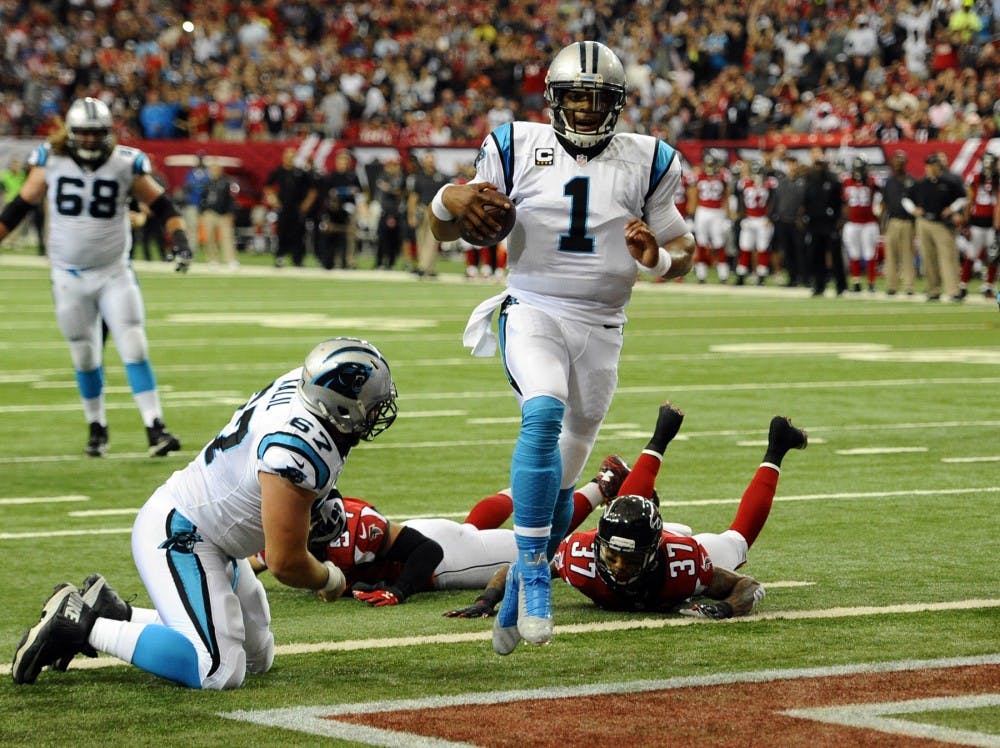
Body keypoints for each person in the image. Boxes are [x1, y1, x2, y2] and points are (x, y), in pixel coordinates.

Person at [429, 41, 694, 652]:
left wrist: (657, 261)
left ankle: (518, 593)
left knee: (561, 481)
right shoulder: (514, 144)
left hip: (603, 326)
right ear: (553, 99)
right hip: (534, 308)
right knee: (541, 410)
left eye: (596, 99)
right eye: (575, 96)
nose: (584, 108)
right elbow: (444, 228)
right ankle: (535, 581)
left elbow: (683, 253)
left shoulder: (649, 160)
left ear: (617, 104)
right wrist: (447, 200)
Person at [11, 337, 399, 688]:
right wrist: (330, 579)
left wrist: (315, 501)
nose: (380, 410)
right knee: (216, 669)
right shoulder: (296, 450)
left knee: (256, 658)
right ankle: (83, 624)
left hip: (217, 535)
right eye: (372, 404)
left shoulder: (305, 388)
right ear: (339, 407)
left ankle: (115, 612)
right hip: (183, 532)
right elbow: (285, 562)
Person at [445, 404, 808, 639]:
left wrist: (725, 608)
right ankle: (659, 438)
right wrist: (486, 600)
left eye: (630, 560)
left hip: (676, 542)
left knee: (737, 541)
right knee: (623, 513)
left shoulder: (683, 561)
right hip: (644, 540)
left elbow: (748, 586)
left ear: (652, 553)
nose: (619, 567)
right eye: (613, 556)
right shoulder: (580, 555)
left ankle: (777, 447)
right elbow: (518, 569)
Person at [0, 97, 189, 457]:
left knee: (134, 344)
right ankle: (96, 427)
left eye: (95, 133)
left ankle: (155, 427)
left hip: (114, 271)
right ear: (71, 133)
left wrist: (179, 238)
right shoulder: (50, 160)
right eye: (83, 133)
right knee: (84, 356)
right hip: (68, 275)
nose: (88, 140)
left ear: (108, 133)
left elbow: (163, 204)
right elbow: (19, 206)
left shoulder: (124, 163)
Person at [253, 453, 632, 605]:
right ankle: (597, 483)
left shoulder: (355, 528)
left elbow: (428, 553)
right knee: (471, 527)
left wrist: (398, 591)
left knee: (547, 550)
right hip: (432, 537)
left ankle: (606, 487)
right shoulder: (304, 524)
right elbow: (256, 557)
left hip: (444, 560)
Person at [903, 154, 967, 302]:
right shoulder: (920, 183)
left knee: (948, 257)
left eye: (932, 165)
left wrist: (952, 208)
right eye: (928, 165)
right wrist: (913, 210)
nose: (930, 168)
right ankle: (933, 290)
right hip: (924, 223)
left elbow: (963, 197)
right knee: (928, 258)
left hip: (942, 224)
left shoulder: (949, 182)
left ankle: (953, 291)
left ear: (938, 166)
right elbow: (905, 198)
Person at [803, 149, 847, 297]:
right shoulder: (809, 180)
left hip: (830, 222)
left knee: (835, 255)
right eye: (816, 164)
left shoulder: (833, 180)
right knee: (816, 255)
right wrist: (803, 217)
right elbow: (804, 202)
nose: (818, 167)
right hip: (814, 223)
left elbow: (842, 203)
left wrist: (840, 220)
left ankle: (841, 286)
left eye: (820, 164)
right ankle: (819, 286)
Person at [264, 147, 317, 268]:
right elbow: (267, 187)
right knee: (282, 233)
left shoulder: (300, 172)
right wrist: (273, 200)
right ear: (283, 157)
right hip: (283, 208)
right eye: (287, 156)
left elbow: (312, 190)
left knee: (298, 234)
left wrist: (306, 204)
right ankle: (280, 258)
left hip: (297, 208)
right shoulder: (278, 171)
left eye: (292, 156)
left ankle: (297, 260)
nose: (289, 159)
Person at [687, 150, 732, 284]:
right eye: (708, 163)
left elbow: (726, 196)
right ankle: (701, 275)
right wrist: (691, 214)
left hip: (717, 212)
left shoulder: (723, 175)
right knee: (701, 242)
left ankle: (723, 275)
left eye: (712, 164)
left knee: (719, 243)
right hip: (703, 211)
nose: (710, 166)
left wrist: (728, 215)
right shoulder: (698, 176)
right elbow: (693, 195)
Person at [315, 150, 364, 270]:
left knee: (351, 235)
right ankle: (335, 260)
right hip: (334, 211)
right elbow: (327, 194)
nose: (343, 163)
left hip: (350, 210)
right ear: (336, 161)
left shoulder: (352, 176)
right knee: (334, 235)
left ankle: (350, 261)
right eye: (340, 160)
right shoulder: (331, 176)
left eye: (345, 160)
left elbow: (358, 192)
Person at [840, 156, 882, 293]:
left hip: (869, 222)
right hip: (852, 223)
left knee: (870, 253)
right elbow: (841, 201)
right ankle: (856, 281)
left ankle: (871, 282)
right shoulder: (845, 180)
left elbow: (881, 197)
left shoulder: (872, 180)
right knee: (854, 253)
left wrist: (878, 210)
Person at [960, 151, 998, 299]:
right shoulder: (975, 178)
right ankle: (963, 285)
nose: (989, 166)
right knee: (971, 255)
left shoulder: (998, 179)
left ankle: (988, 286)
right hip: (977, 222)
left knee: (992, 256)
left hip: (992, 224)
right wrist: (966, 223)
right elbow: (969, 201)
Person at [880, 150, 917, 296]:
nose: (898, 163)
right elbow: (884, 204)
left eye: (901, 160)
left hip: (908, 222)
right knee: (891, 256)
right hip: (893, 221)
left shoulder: (912, 180)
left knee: (908, 255)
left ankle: (908, 286)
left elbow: (917, 203)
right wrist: (882, 223)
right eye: (896, 160)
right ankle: (892, 286)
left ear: (905, 162)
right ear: (892, 163)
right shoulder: (889, 182)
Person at [407, 151, 450, 278]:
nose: (429, 162)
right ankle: (430, 268)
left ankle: (423, 267)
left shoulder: (441, 177)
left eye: (431, 159)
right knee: (420, 240)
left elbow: (446, 195)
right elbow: (413, 197)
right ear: (424, 162)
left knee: (432, 240)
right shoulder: (418, 177)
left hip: (436, 211)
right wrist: (411, 214)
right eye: (427, 159)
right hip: (421, 209)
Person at [734, 159, 777, 285]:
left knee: (762, 248)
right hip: (749, 219)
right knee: (745, 247)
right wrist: (742, 217)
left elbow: (773, 201)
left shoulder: (770, 183)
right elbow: (740, 201)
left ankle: (761, 276)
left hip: (763, 219)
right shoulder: (744, 183)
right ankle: (741, 275)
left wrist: (770, 217)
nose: (757, 174)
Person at [768, 156, 807, 287]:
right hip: (783, 221)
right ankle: (792, 278)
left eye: (793, 164)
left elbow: (806, 202)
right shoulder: (781, 181)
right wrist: (773, 216)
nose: (791, 167)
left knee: (800, 250)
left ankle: (804, 277)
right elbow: (776, 200)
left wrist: (802, 217)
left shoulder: (803, 182)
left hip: (797, 222)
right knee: (788, 251)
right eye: (789, 164)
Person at [199, 160, 239, 269]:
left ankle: (230, 260)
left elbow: (231, 199)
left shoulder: (226, 182)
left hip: (223, 214)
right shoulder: (207, 183)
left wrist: (231, 213)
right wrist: (202, 212)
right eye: (212, 169)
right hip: (210, 213)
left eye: (216, 169)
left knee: (227, 238)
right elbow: (202, 198)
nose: (214, 171)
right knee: (209, 237)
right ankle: (213, 260)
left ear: (220, 170)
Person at [372, 157, 407, 270]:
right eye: (390, 166)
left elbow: (400, 193)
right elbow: (382, 187)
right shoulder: (383, 176)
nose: (392, 168)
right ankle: (379, 262)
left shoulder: (401, 178)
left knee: (394, 239)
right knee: (382, 238)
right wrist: (392, 190)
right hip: (384, 211)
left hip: (396, 212)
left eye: (394, 166)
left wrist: (390, 189)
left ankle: (391, 263)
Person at [180, 154, 209, 259]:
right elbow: (185, 186)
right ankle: (191, 250)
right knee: (191, 228)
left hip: (204, 206)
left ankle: (208, 252)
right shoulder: (192, 173)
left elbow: (208, 188)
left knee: (206, 229)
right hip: (192, 204)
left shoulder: (207, 174)